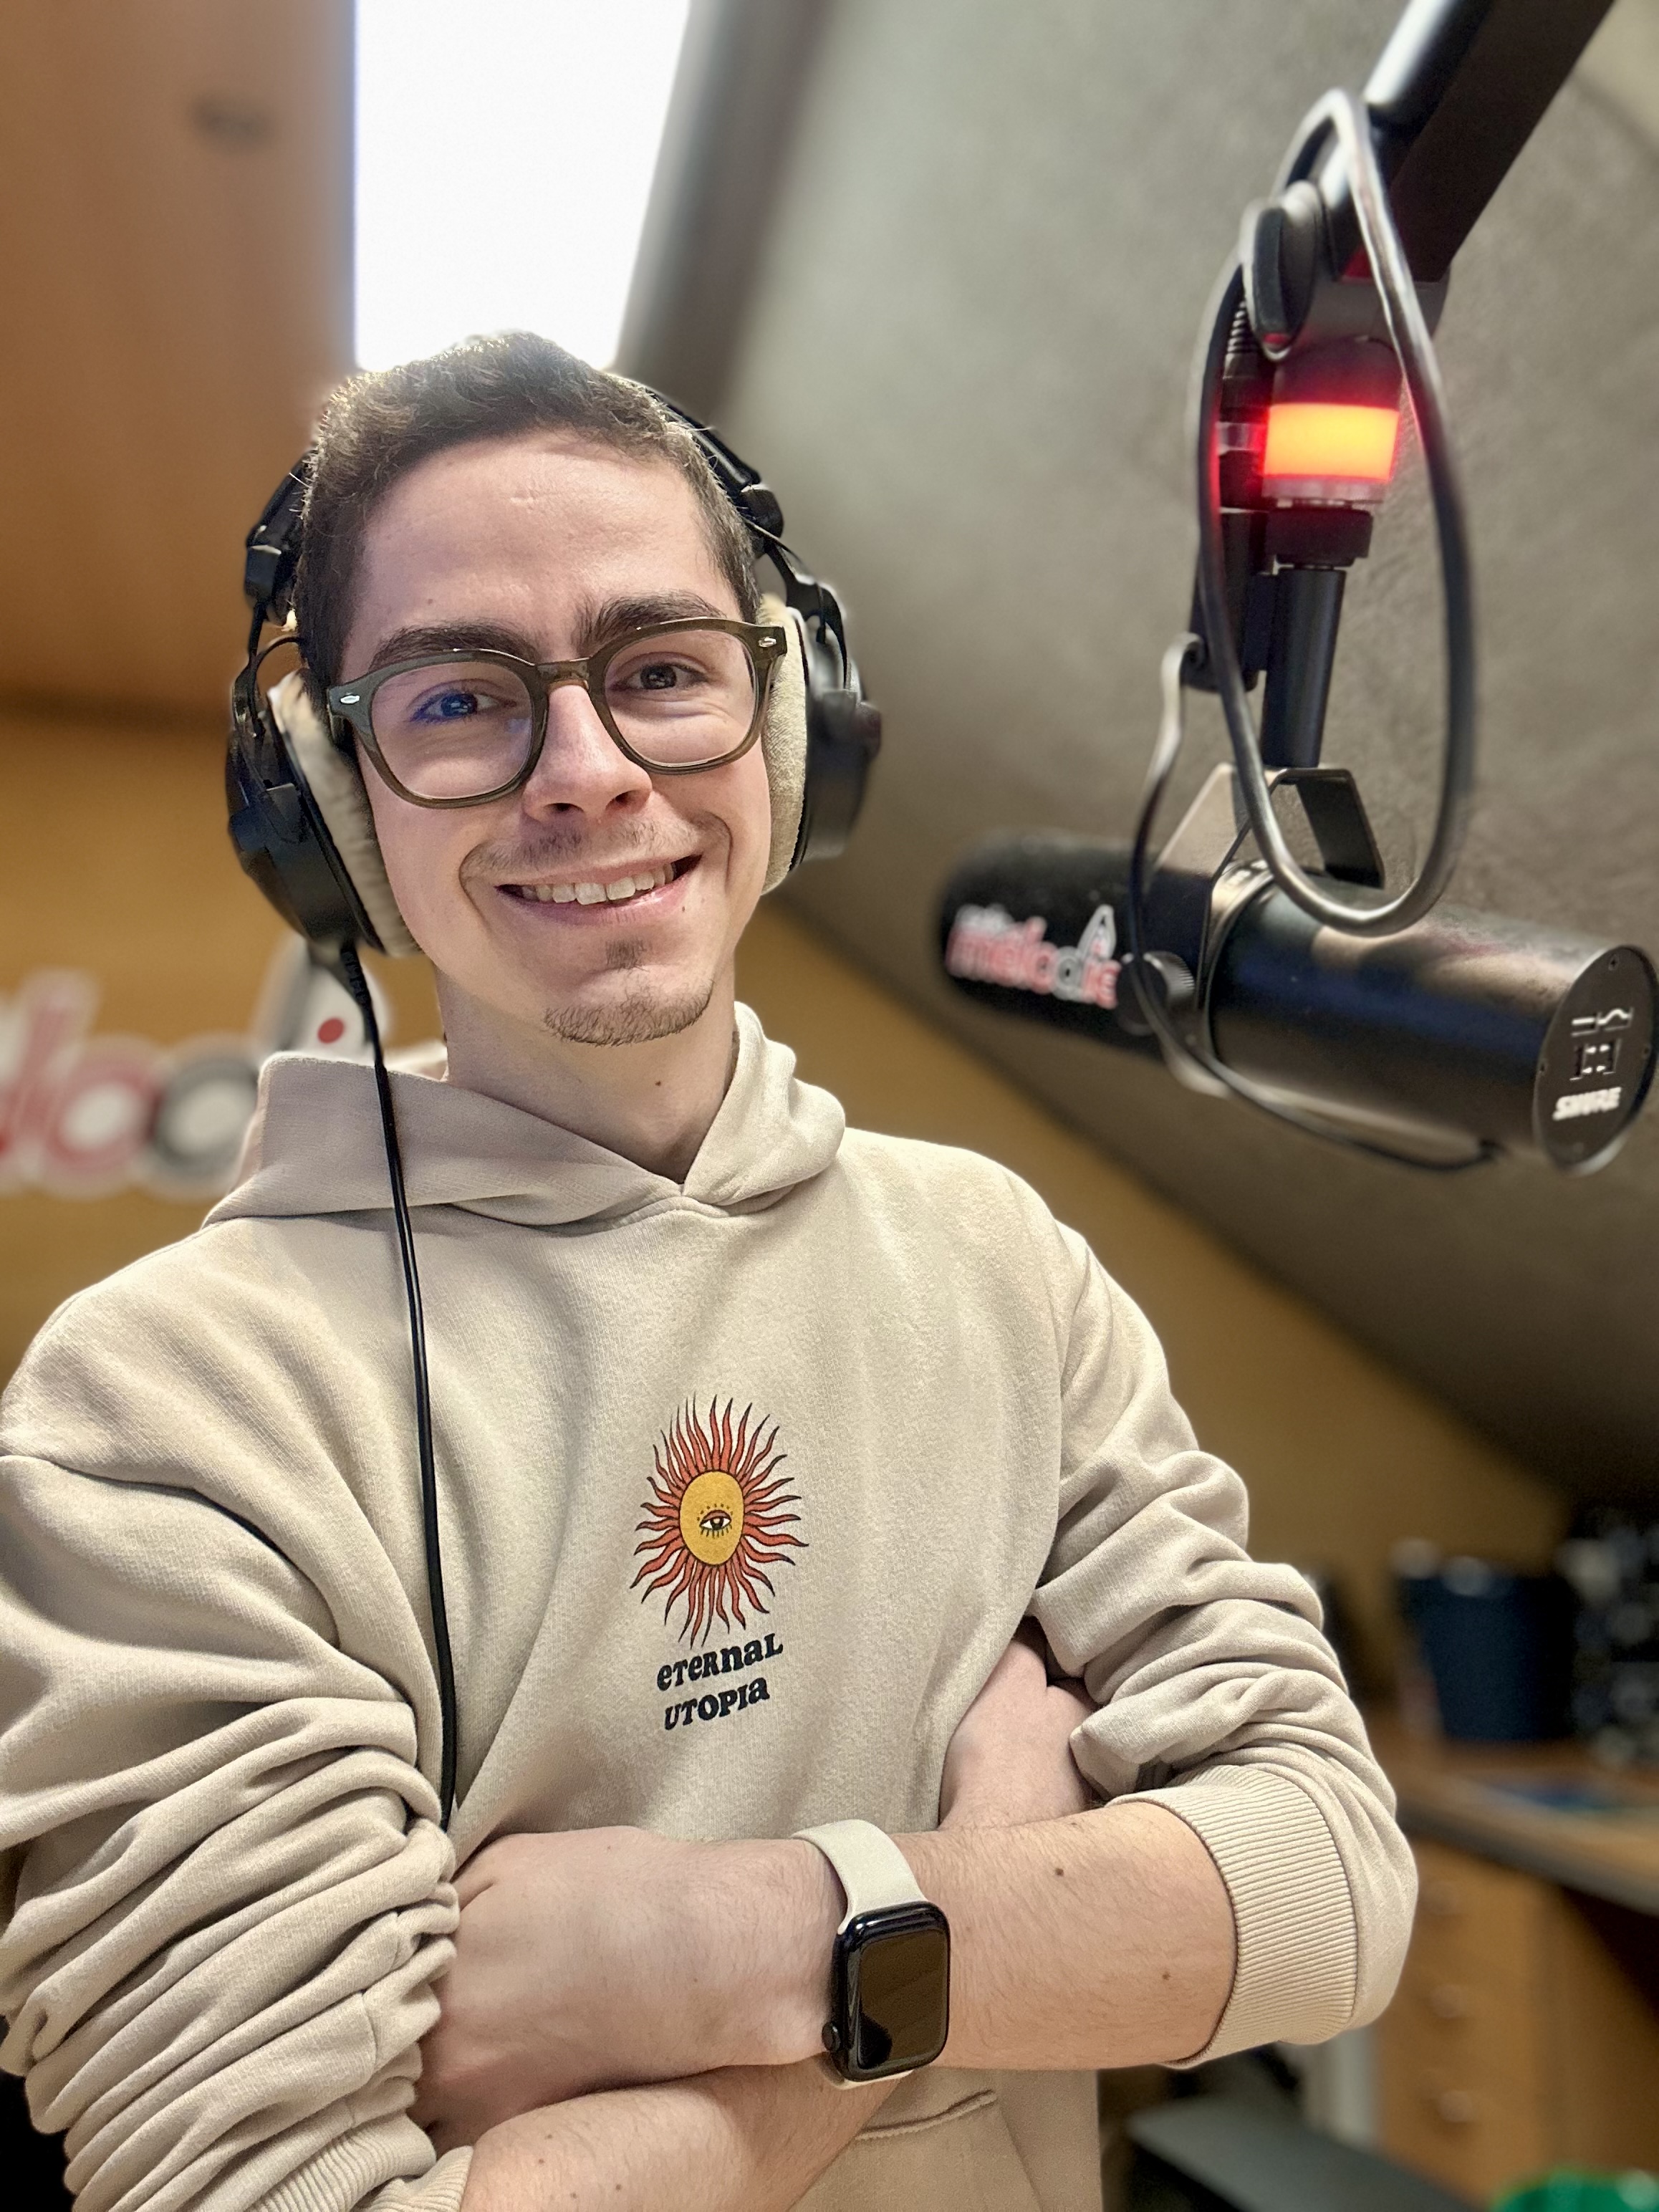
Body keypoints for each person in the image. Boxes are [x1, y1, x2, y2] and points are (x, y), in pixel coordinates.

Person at [0, 334, 1413, 2212]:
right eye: (460, 700)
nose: (586, 774)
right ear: (335, 803)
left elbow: (1331, 1884)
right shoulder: (155, 1413)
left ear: (788, 720)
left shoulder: (997, 1261)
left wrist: (719, 1947)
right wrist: (990, 1865)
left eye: (661, 669)